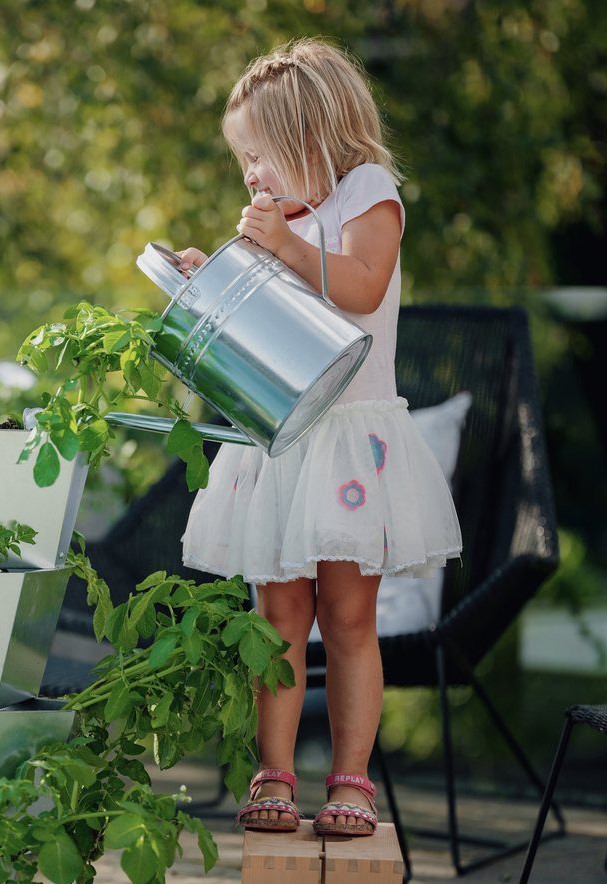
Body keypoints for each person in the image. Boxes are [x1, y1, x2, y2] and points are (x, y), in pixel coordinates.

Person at [177, 39, 461, 837]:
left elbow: (363, 288)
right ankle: (273, 772)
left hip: (349, 446)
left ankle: (350, 780)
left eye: (258, 156)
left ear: (311, 138)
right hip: (282, 441)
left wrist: (287, 247)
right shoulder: (283, 223)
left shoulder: (368, 193)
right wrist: (214, 282)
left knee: (346, 617)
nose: (250, 177)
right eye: (242, 162)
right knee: (278, 617)